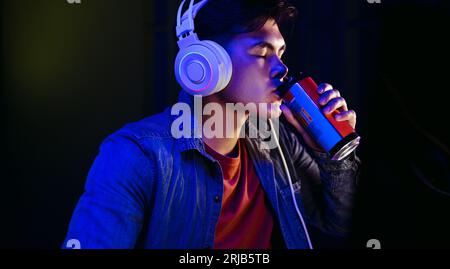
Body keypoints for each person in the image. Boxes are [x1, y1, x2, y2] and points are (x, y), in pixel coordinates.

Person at [63, 0, 361, 249]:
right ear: (205, 62)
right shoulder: (135, 156)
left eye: (281, 53)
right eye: (261, 53)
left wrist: (333, 150)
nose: (282, 70)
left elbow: (339, 223)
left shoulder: (279, 143)